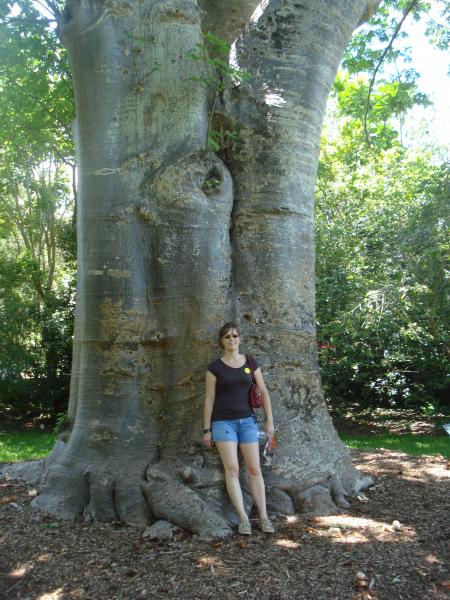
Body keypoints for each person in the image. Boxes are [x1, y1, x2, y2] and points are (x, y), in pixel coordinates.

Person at [203, 322, 275, 535]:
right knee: (232, 469)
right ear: (221, 341)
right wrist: (206, 429)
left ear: (240, 339)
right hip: (222, 423)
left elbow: (263, 391)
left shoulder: (250, 363)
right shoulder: (214, 368)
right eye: (227, 336)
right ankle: (244, 519)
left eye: (235, 335)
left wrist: (270, 421)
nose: (231, 339)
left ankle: (264, 517)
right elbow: (209, 399)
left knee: (254, 469)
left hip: (248, 422)